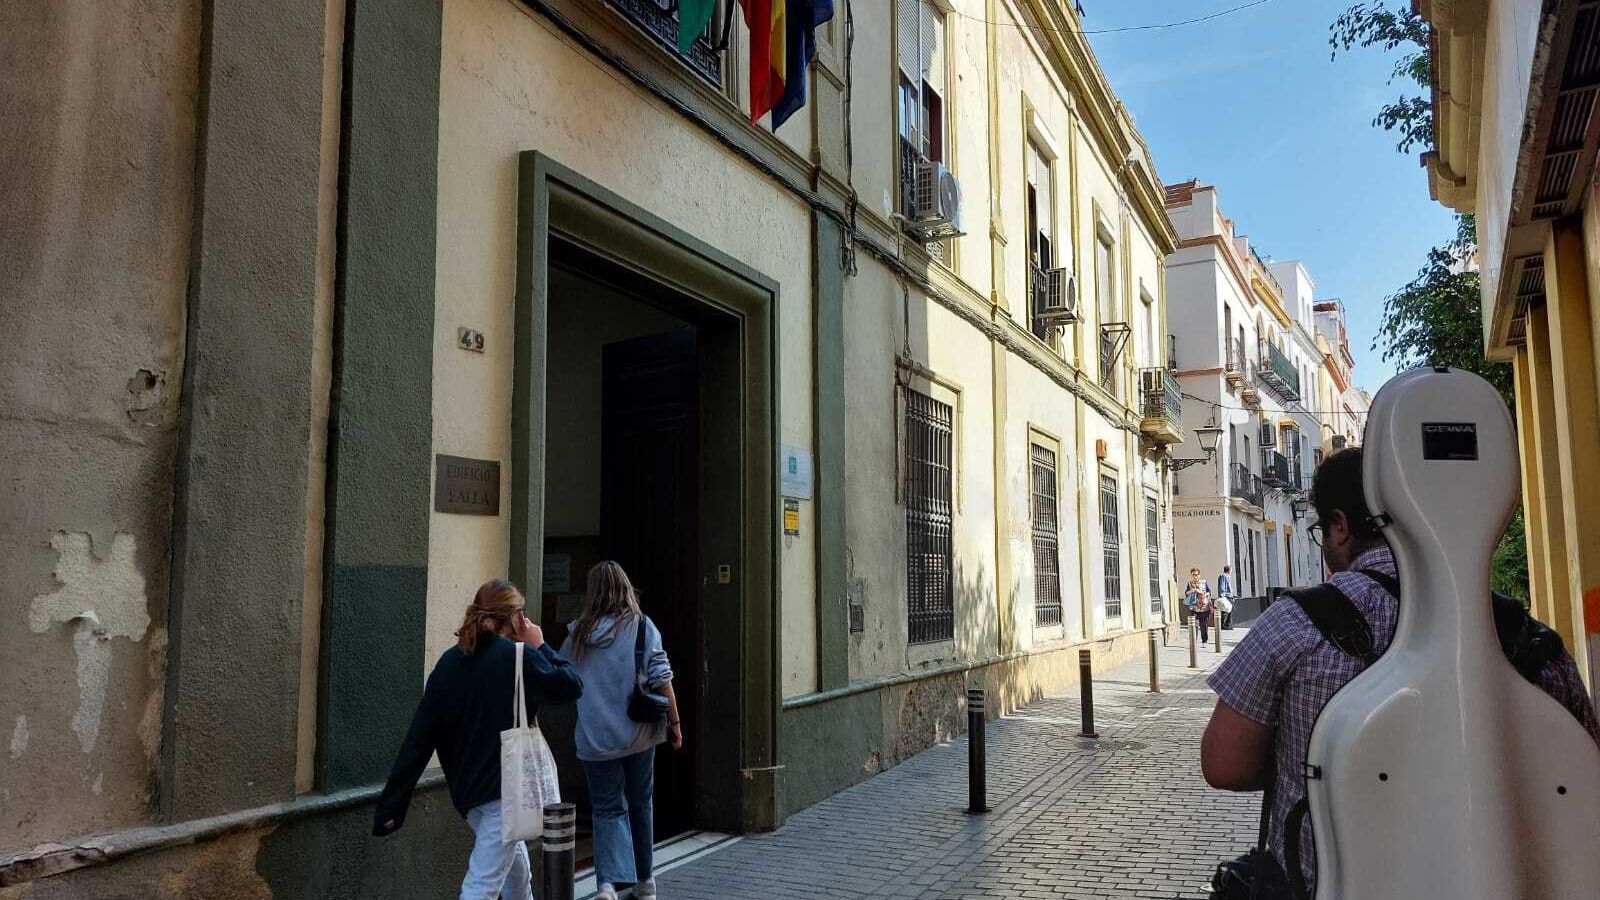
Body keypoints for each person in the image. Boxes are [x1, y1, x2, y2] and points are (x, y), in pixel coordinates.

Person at [1201, 448, 1600, 895]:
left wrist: (1304, 756)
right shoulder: (1524, 636)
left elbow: (1225, 766)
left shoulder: (1293, 624)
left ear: (1340, 525)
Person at [373, 579, 583, 900]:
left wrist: (392, 806)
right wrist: (540, 645)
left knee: (517, 876)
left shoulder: (449, 662)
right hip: (506, 795)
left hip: (468, 796)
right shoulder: (520, 657)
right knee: (481, 887)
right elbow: (571, 685)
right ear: (515, 617)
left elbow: (419, 737)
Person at [560, 562, 682, 900]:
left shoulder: (577, 636)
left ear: (592, 592)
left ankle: (607, 885)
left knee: (606, 810)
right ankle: (645, 883)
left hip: (595, 740)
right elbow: (662, 678)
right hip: (639, 736)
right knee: (641, 805)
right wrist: (675, 723)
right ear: (626, 588)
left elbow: (561, 678)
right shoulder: (642, 627)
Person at [1184, 567, 1214, 644]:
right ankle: (1194, 640)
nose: (1195, 576)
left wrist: (1205, 594)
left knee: (1204, 625)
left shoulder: (1204, 582)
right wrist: (1192, 591)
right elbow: (1186, 593)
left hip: (1204, 607)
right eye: (1193, 575)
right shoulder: (1189, 583)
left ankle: (1204, 640)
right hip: (1194, 607)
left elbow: (1209, 592)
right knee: (1194, 624)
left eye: (1196, 574)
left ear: (1199, 575)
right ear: (1191, 575)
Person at [1216, 565, 1235, 629]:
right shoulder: (1223, 576)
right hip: (1226, 596)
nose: (1231, 571)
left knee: (1230, 610)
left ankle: (1228, 625)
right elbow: (1222, 586)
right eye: (1231, 570)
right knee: (1225, 610)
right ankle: (1223, 625)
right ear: (1229, 570)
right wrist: (1222, 595)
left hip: (1229, 595)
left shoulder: (1228, 576)